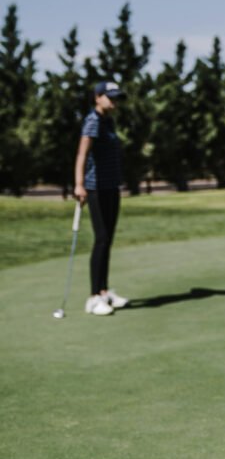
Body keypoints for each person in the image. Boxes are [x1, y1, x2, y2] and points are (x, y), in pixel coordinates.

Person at [74, 80, 129, 316]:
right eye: (110, 97)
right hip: (95, 188)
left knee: (107, 240)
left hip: (111, 187)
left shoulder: (108, 121)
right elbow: (82, 153)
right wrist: (79, 184)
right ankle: (94, 297)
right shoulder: (93, 120)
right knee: (101, 238)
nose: (114, 101)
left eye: (116, 97)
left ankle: (104, 292)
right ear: (97, 97)